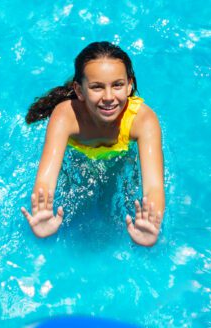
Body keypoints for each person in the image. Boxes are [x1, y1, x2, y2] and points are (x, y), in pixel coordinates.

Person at [22, 42, 165, 247]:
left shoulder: (143, 120)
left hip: (121, 160)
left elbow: (153, 186)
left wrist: (152, 223)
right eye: (97, 87)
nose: (109, 97)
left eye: (117, 85)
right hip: (78, 161)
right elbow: (45, 180)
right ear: (79, 91)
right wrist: (42, 215)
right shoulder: (66, 116)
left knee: (111, 217)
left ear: (129, 85)